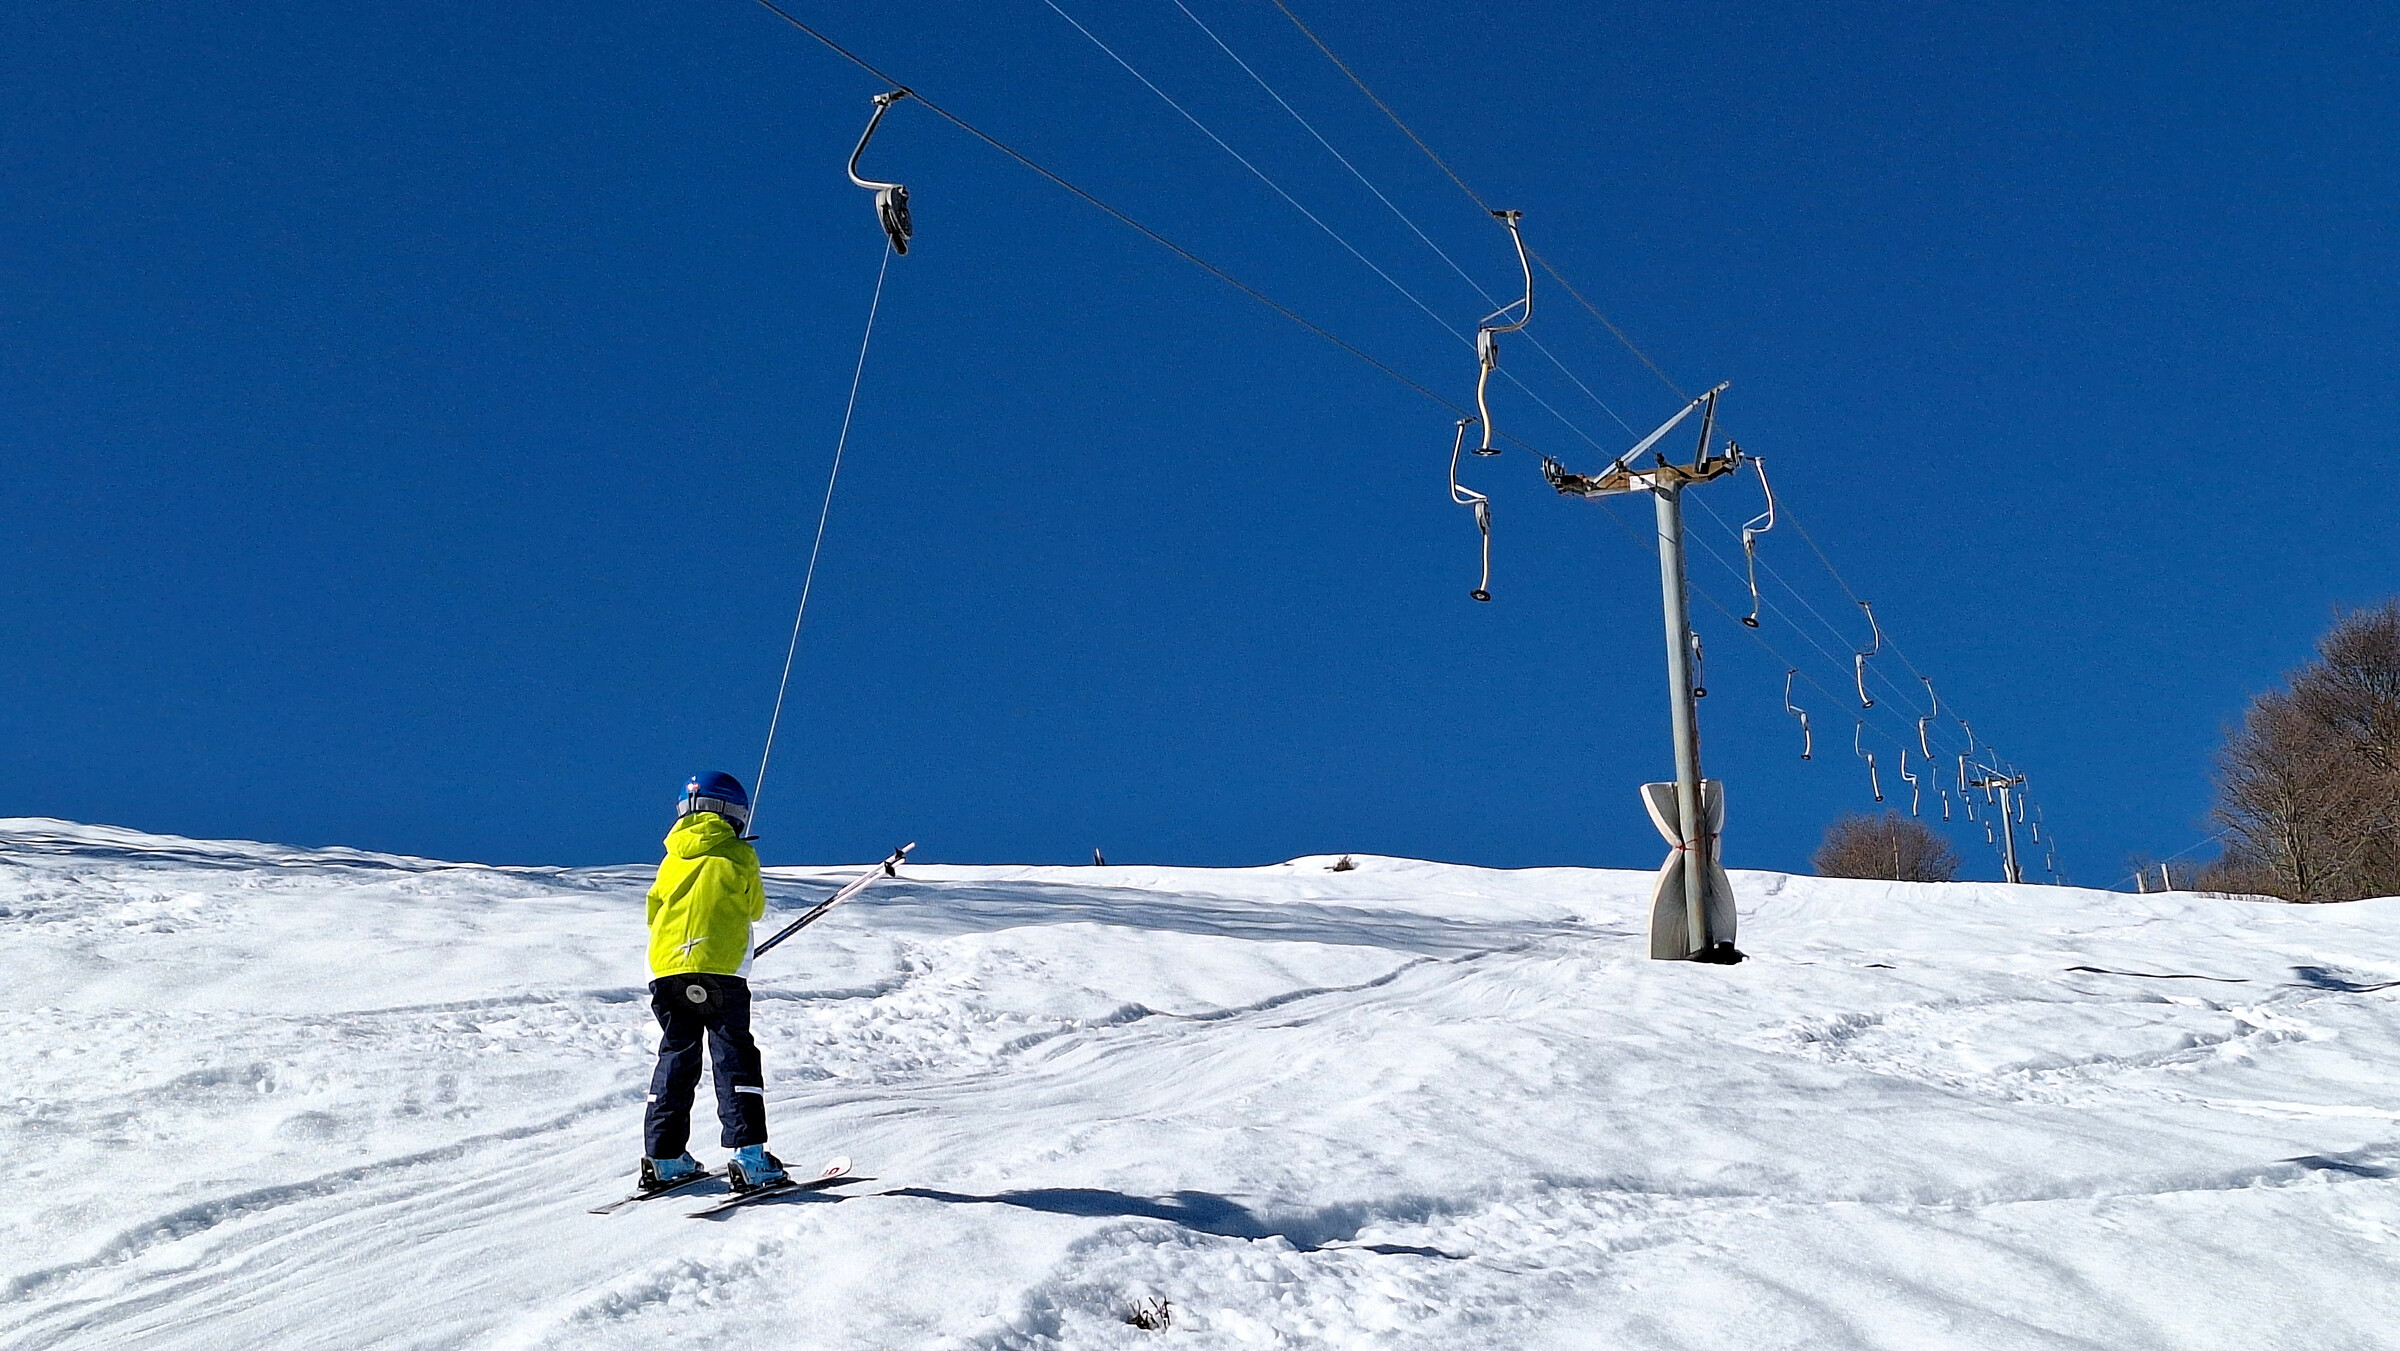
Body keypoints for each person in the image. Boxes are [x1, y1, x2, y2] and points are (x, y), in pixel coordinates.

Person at [637, 771, 791, 1193]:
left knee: (676, 1054)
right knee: (732, 1053)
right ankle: (750, 1156)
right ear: (734, 813)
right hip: (720, 971)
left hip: (666, 970)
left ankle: (664, 1156)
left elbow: (653, 912)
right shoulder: (738, 855)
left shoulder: (671, 859)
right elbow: (754, 907)